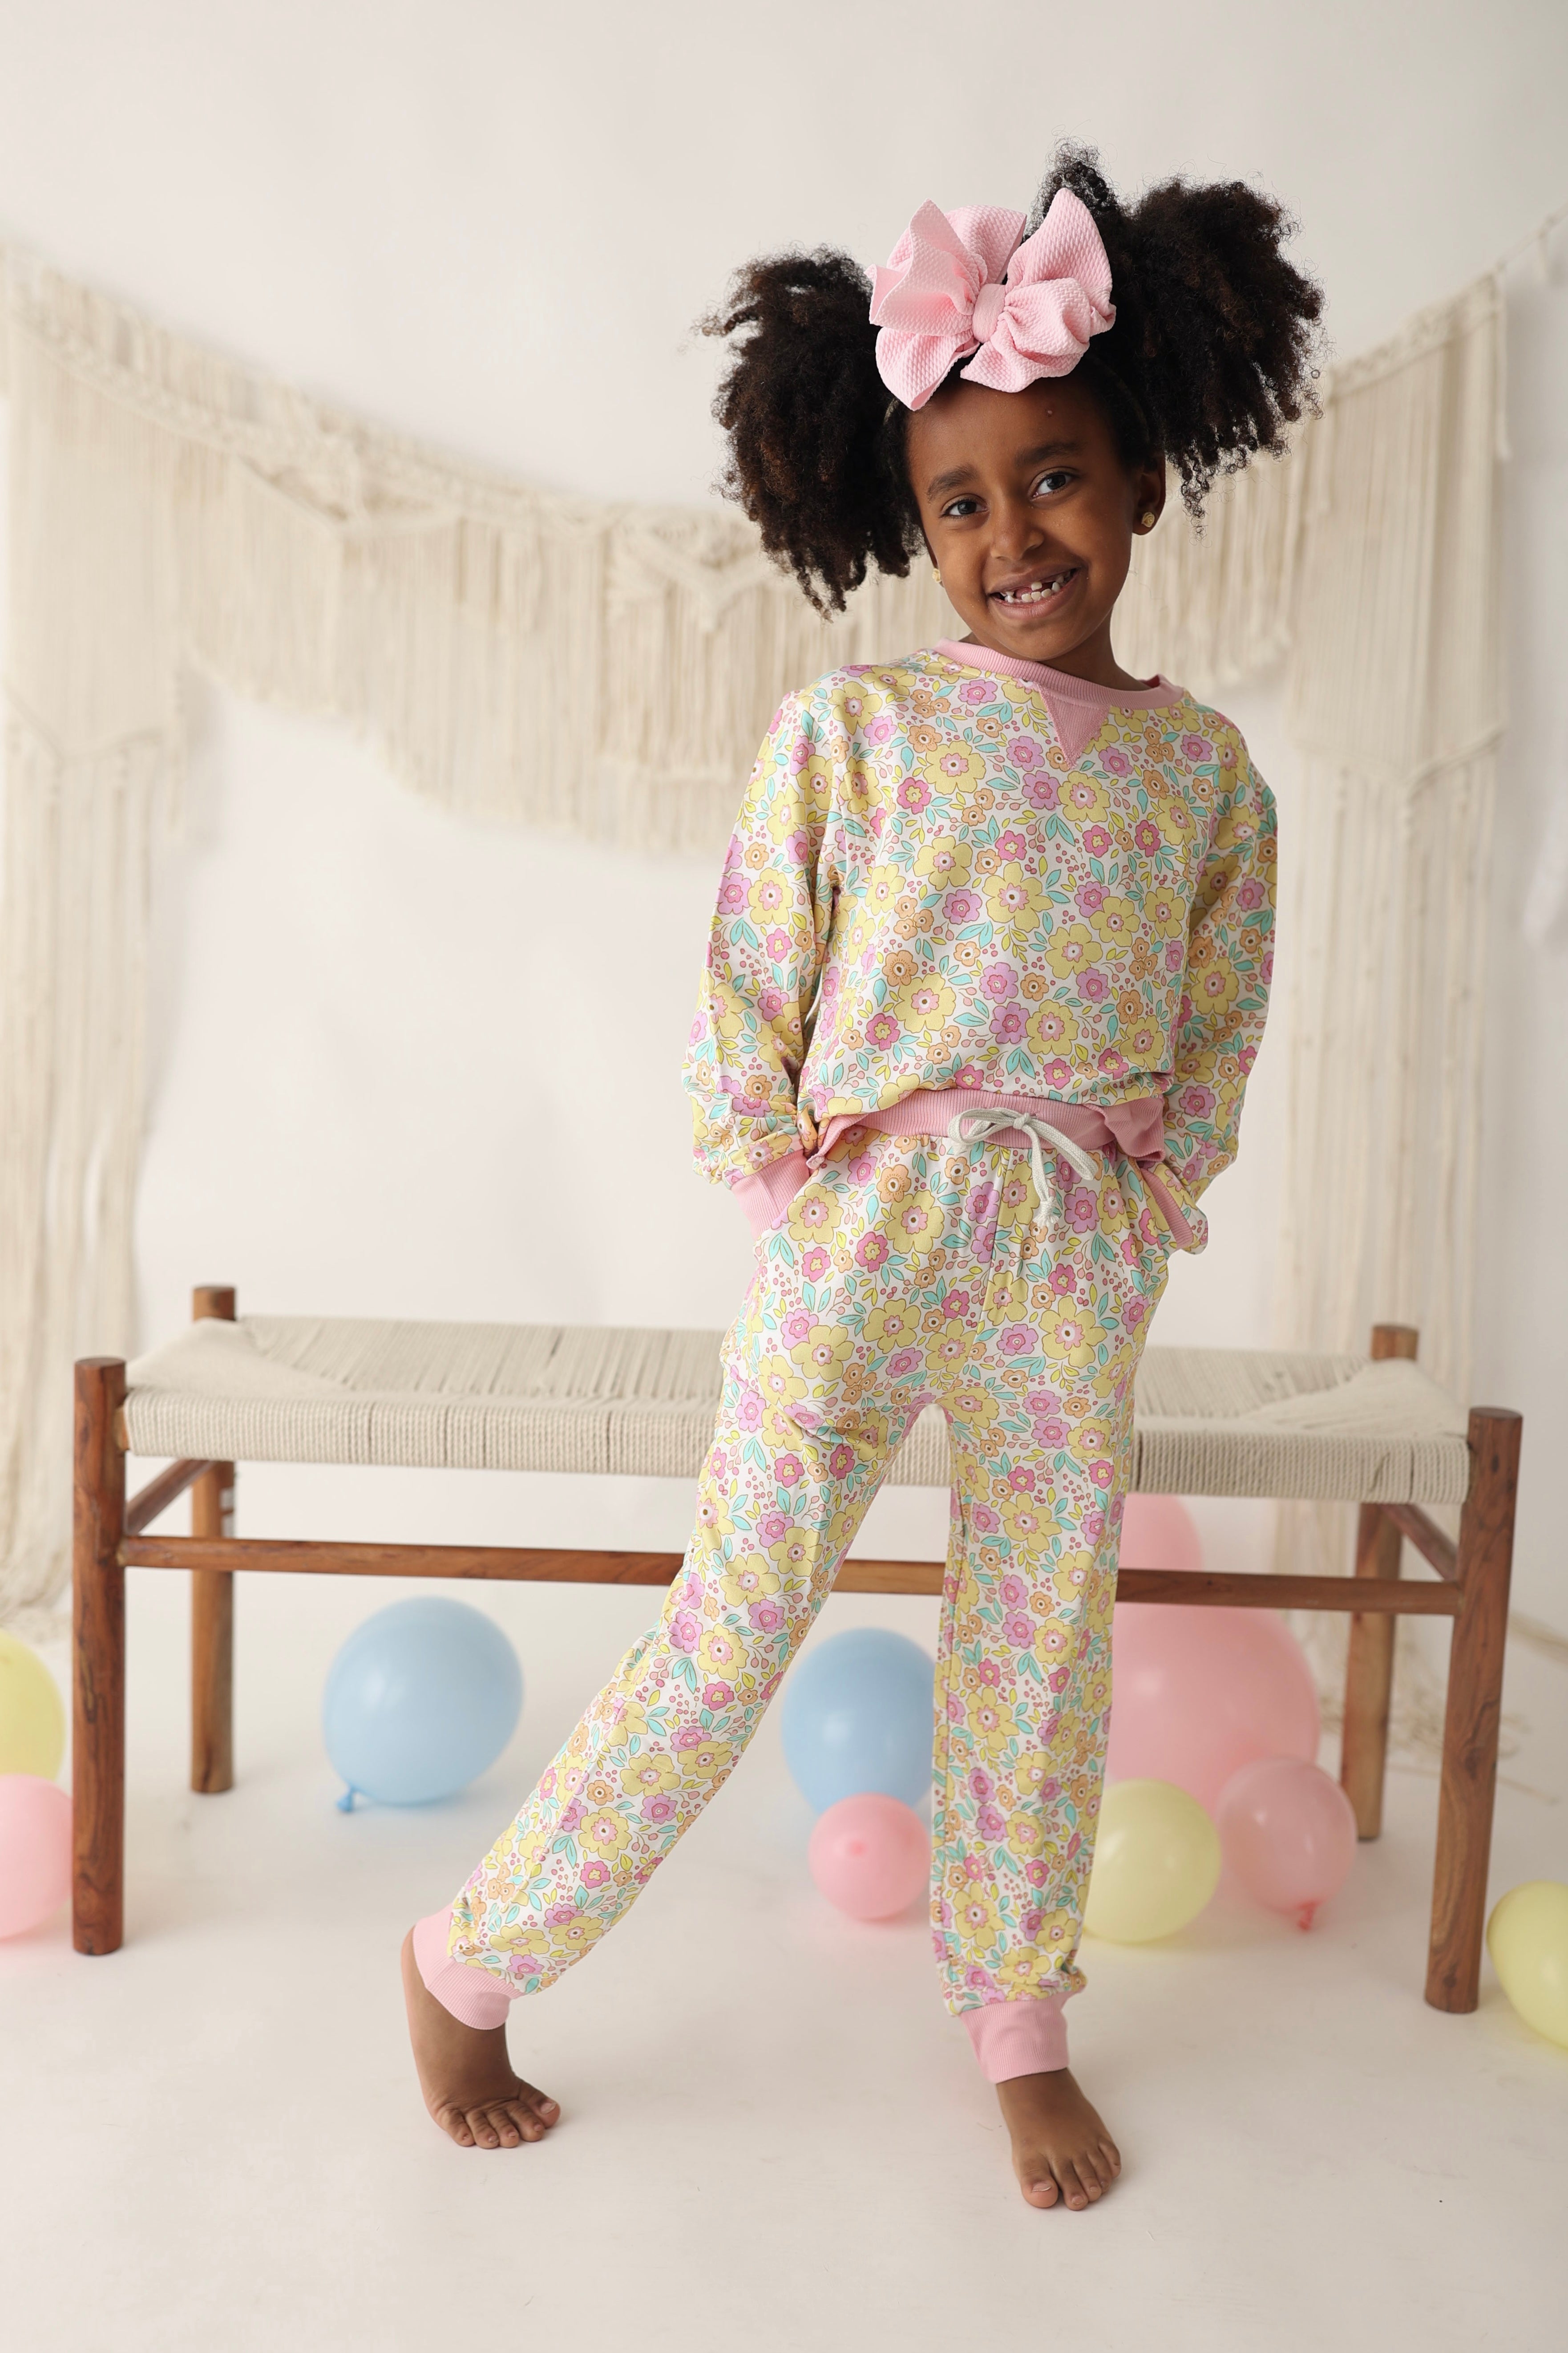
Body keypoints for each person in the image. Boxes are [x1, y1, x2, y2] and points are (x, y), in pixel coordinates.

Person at [403, 143, 1319, 2210]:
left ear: (1142, 478)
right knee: (734, 1622)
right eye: (961, 502)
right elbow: (751, 965)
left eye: (1053, 478)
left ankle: (1015, 2017)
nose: (1013, 533)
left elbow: (1218, 1018)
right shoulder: (857, 731)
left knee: (1040, 1637)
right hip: (868, 1222)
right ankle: (469, 1954)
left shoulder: (1206, 778)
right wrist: (781, 1182)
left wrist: (1148, 1195)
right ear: (912, 526)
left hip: (1068, 1247)